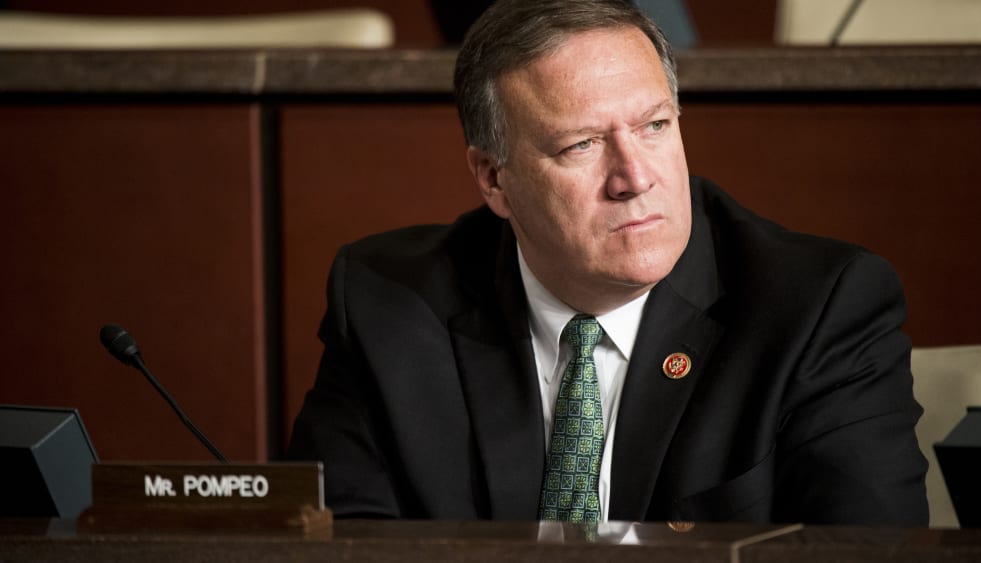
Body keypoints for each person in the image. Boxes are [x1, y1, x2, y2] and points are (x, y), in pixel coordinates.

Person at [287, 0, 928, 525]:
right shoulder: (389, 306)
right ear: (493, 179)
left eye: (654, 126)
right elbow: (341, 545)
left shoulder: (819, 307)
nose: (633, 177)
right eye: (583, 144)